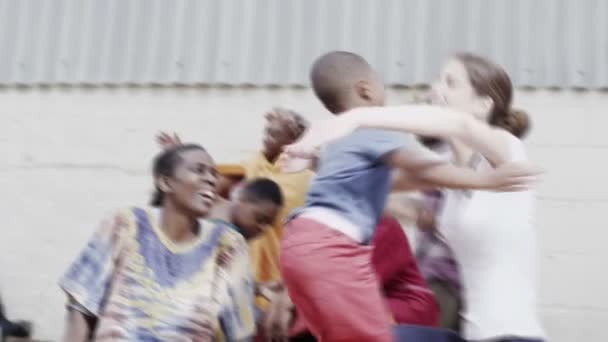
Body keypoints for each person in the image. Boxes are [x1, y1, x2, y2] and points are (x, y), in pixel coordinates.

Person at [278, 51, 539, 342]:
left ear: (483, 104)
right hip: (472, 334)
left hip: (512, 335)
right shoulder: (451, 175)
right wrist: (315, 159)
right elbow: (374, 187)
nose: (436, 89)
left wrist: (357, 116)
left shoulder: (506, 152)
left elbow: (459, 125)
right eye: (438, 80)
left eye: (451, 83)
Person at [59, 144, 255, 341]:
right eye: (199, 170)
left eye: (214, 174)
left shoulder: (227, 244)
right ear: (165, 182)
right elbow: (80, 305)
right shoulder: (125, 224)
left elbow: (240, 328)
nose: (211, 179)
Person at [158, 108, 313, 341]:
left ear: (293, 141)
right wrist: (180, 160)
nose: (266, 138)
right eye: (266, 132)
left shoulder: (302, 178)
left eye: (274, 134)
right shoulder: (252, 168)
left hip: (272, 276)